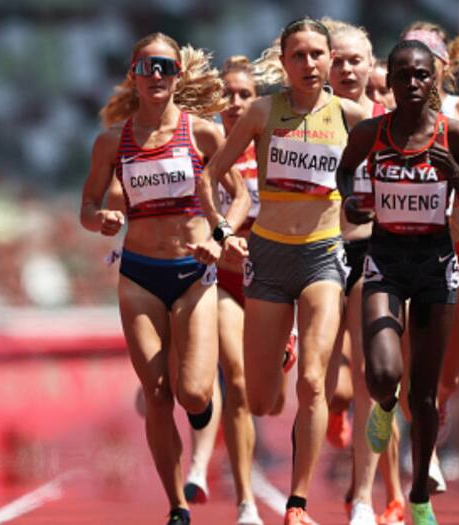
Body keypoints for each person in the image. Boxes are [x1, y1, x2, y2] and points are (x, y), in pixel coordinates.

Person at [197, 17, 369, 525]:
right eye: (301, 55)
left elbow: (395, 169)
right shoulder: (261, 112)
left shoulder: (355, 116)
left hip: (322, 257)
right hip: (267, 258)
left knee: (314, 385)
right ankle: (283, 347)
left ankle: (297, 502)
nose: (312, 64)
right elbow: (210, 176)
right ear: (285, 61)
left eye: (320, 55)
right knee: (264, 398)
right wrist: (223, 233)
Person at [80, 32, 250, 525]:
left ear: (178, 75)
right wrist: (102, 221)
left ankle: (200, 411)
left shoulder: (203, 134)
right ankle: (177, 505)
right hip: (139, 276)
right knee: (156, 393)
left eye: (165, 67)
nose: (156, 76)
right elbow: (87, 208)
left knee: (194, 392)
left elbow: (238, 197)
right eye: (147, 67)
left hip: (194, 273)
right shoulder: (113, 142)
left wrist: (219, 236)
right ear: (133, 74)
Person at [338, 39, 459, 525]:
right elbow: (344, 177)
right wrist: (354, 204)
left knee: (423, 395)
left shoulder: (455, 136)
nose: (413, 84)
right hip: (384, 259)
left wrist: (455, 179)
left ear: (434, 80)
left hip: (435, 263)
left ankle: (419, 494)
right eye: (403, 75)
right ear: (392, 81)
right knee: (381, 373)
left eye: (422, 75)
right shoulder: (369, 133)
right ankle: (383, 407)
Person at [320, 18, 406, 525]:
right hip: (320, 253)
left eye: (356, 59)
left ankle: (366, 499)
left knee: (380, 379)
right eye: (338, 59)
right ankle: (334, 407)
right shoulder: (305, 118)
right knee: (334, 386)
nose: (347, 68)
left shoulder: (392, 122)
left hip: (378, 254)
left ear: (371, 65)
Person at [180, 55, 266, 525]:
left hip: (272, 278)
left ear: (257, 102)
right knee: (232, 379)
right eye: (225, 96)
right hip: (222, 279)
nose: (233, 104)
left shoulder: (274, 145)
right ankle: (246, 501)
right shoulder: (203, 146)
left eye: (243, 96)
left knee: (263, 394)